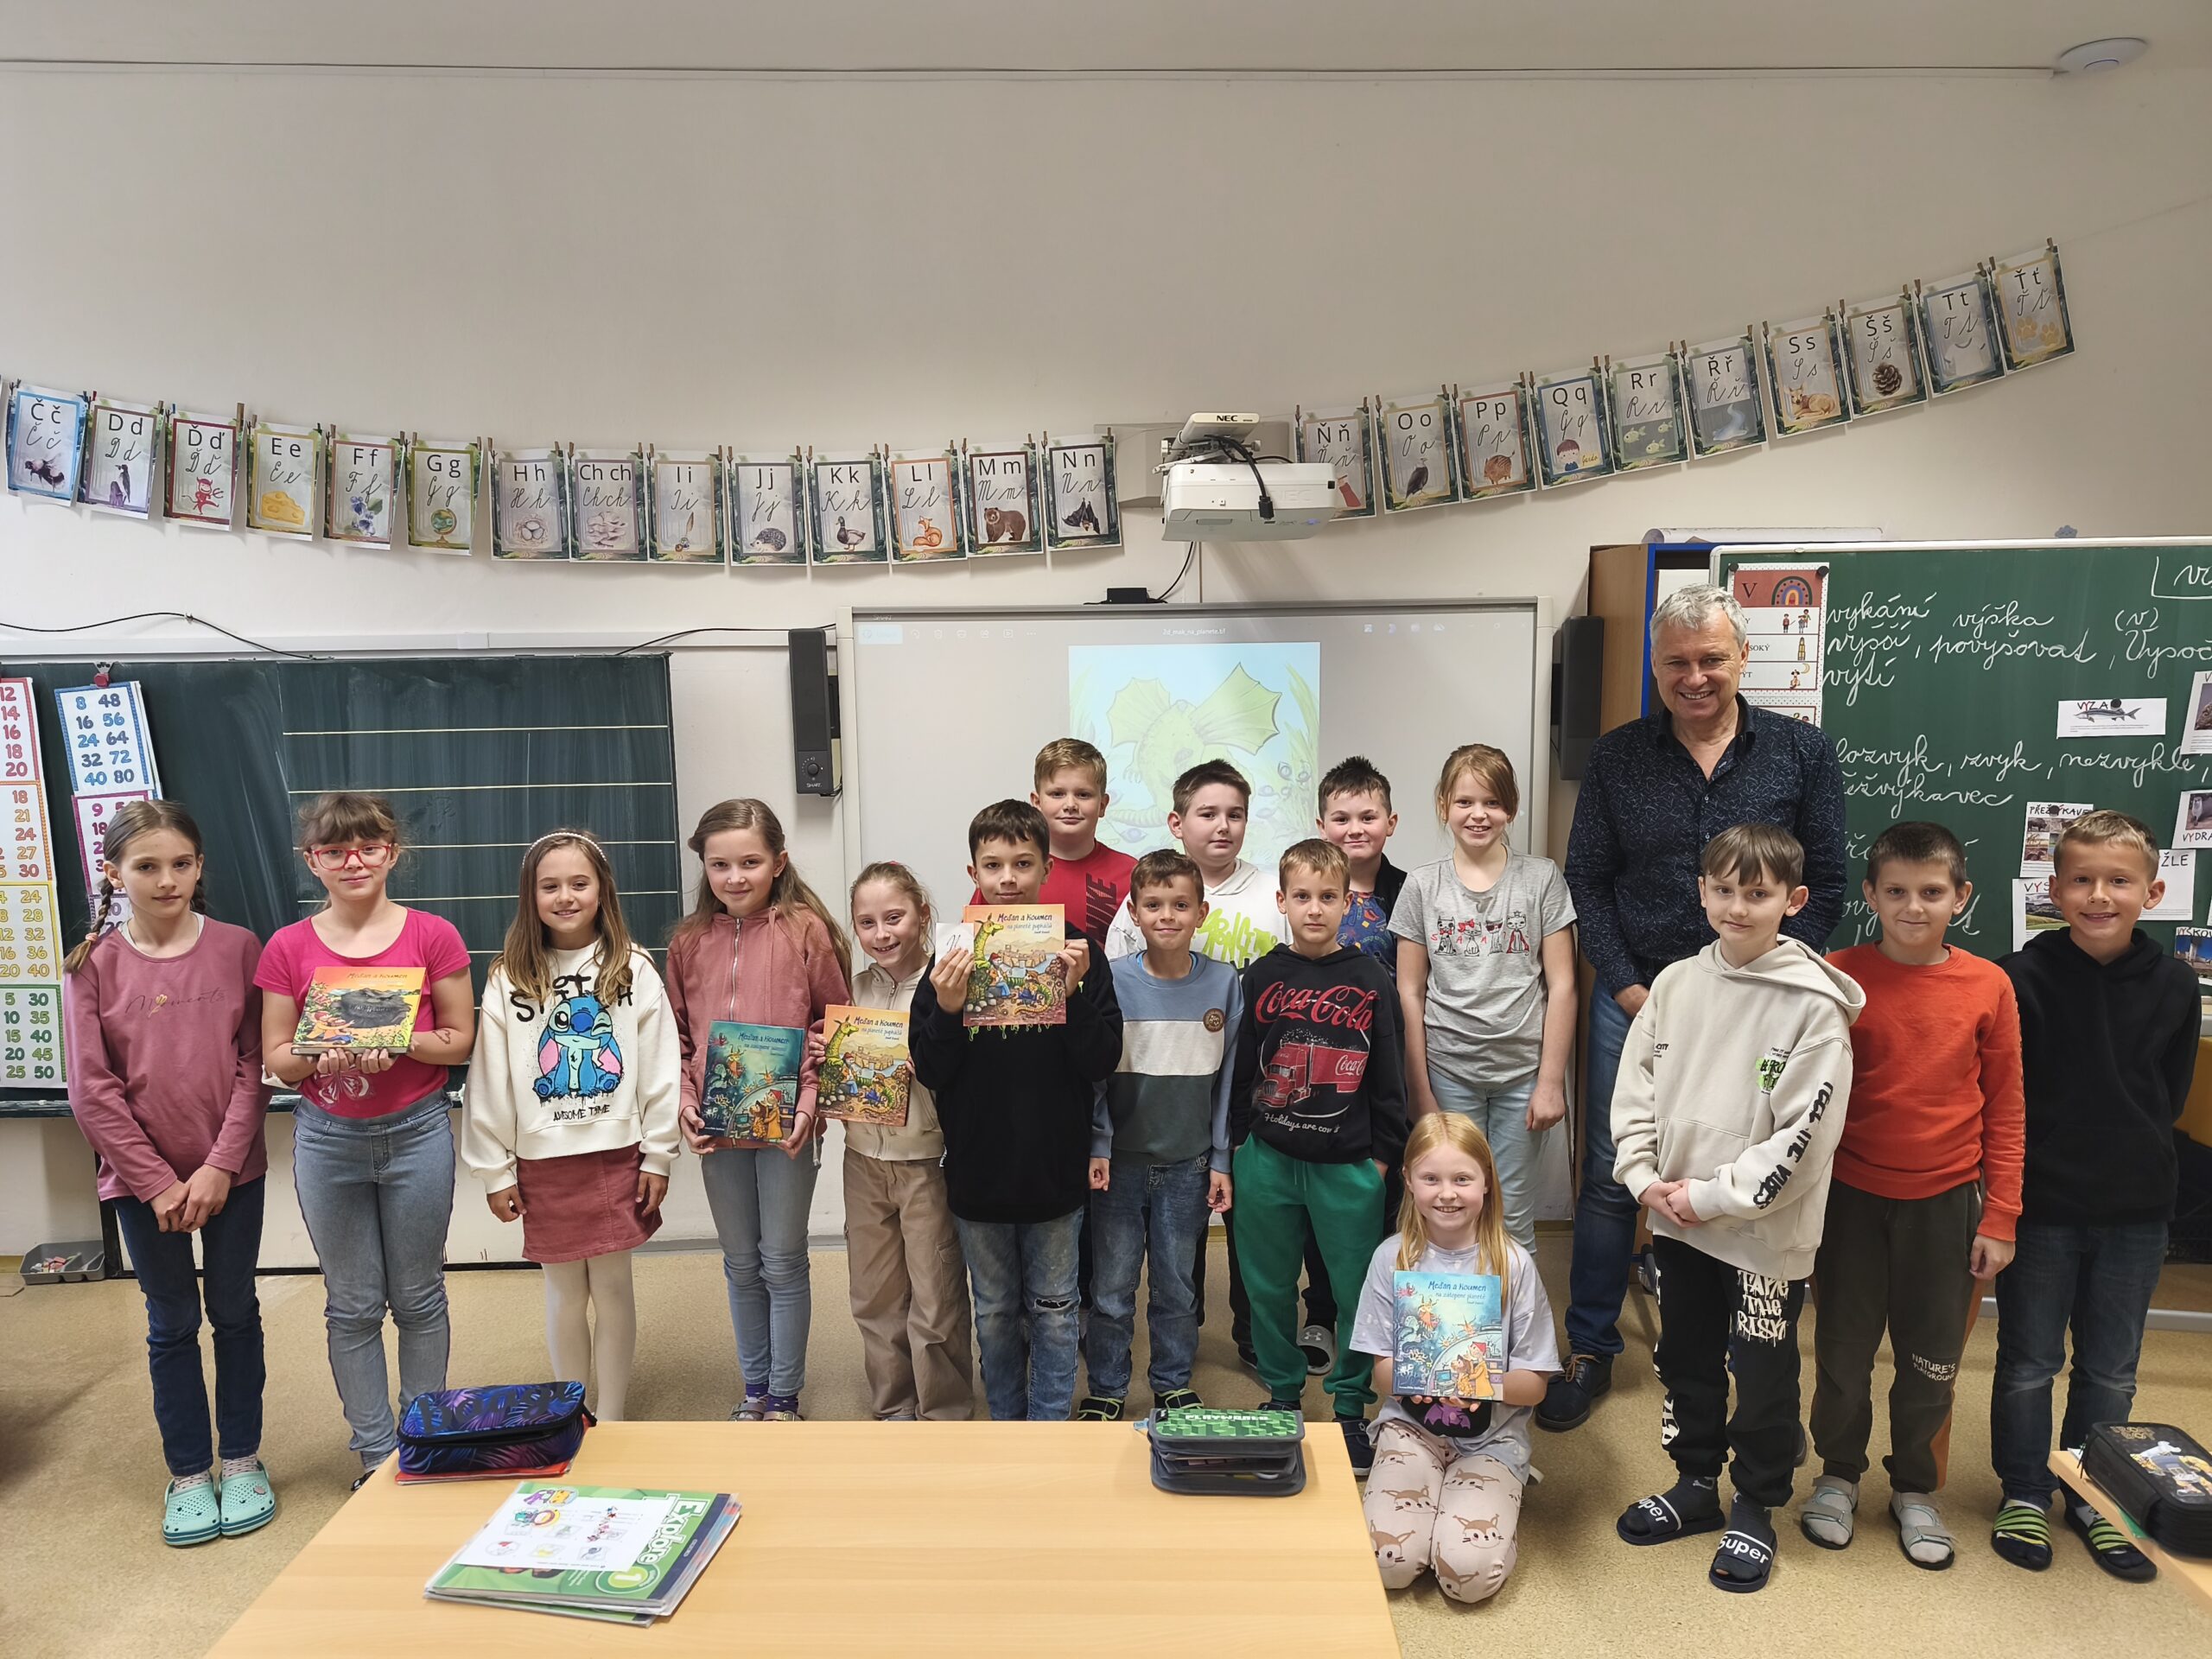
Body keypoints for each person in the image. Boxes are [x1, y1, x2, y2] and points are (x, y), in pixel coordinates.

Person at [1549, 582, 1847, 1431]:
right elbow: (1587, 881)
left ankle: (1729, 1346)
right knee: (1616, 1171)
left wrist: (1770, 984)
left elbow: (1824, 883)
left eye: (1711, 658)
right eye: (1675, 662)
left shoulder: (1801, 754)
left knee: (1737, 1166)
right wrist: (1626, 983)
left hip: (1760, 1010)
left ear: (1742, 657)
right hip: (1641, 995)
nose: (1694, 677)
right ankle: (1591, 1346)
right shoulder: (1618, 757)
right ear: (1654, 667)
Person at [1610, 823, 1862, 1594]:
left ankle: (1756, 1503)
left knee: (1761, 1371)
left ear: (1795, 900)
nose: (1737, 908)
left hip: (1760, 1236)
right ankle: (1695, 1484)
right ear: (1701, 892)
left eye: (1757, 893)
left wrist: (1711, 1196)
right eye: (1723, 890)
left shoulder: (1815, 1008)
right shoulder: (1676, 984)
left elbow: (1804, 1139)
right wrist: (1643, 1177)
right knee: (1684, 1358)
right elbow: (1636, 1087)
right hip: (1679, 1222)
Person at [1803, 822, 2023, 1568]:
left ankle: (1915, 1488)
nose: (1913, 907)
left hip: (1947, 1203)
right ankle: (1837, 1475)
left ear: (1961, 897)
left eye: (1931, 892)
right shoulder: (1838, 975)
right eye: (1895, 892)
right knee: (1842, 1353)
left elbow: (2007, 1108)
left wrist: (2001, 1216)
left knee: (1932, 1361)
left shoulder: (1989, 985)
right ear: (1870, 895)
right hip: (1850, 1200)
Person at [1991, 810, 2201, 1580]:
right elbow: (2004, 1094)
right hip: (2042, 1204)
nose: (2099, 895)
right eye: (2081, 880)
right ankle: (2024, 1491)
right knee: (2028, 1360)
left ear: (2154, 892)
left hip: (2136, 1208)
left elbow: (2170, 1092)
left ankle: (2093, 1493)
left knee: (2112, 1369)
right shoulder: (2018, 977)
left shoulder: (2176, 983)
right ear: (2054, 890)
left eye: (2118, 881)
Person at [65, 800, 275, 1547]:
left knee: (235, 1311)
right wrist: (155, 1182)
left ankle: (241, 1459)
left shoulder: (239, 947)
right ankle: (188, 1472)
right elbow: (91, 1091)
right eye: (147, 866)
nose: (166, 880)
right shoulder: (92, 966)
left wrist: (219, 1165)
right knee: (172, 1322)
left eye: (181, 864)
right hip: (138, 1184)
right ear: (113, 874)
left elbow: (255, 1063)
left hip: (232, 1174)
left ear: (199, 866)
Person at [256, 792, 476, 1487]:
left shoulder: (433, 936)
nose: (353, 862)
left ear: (392, 853)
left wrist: (398, 1039)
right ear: (311, 860)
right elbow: (278, 1060)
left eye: (369, 847)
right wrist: (321, 1055)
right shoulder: (288, 947)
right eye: (334, 850)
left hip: (416, 1131)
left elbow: (458, 1040)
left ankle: (423, 1443)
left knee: (419, 1296)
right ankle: (378, 1456)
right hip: (328, 1140)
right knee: (351, 1305)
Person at [1104, 760, 1327, 1371]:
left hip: (1260, 1082)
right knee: (1183, 1236)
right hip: (1174, 1088)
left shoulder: (1271, 893)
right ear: (1179, 822)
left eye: (1235, 814)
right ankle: (1185, 1334)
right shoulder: (1145, 896)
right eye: (1208, 813)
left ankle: (1253, 1335)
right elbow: (1117, 991)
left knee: (1252, 1222)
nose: (1222, 826)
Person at [911, 800, 1123, 1420]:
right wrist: (948, 1009)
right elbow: (930, 1069)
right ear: (973, 871)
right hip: (978, 1171)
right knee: (996, 1310)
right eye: (993, 865)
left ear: (1047, 868)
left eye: (1023, 863)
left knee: (1057, 1307)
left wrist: (1072, 996)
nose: (1008, 878)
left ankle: (1049, 1423)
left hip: (1054, 1170)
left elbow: (1103, 1059)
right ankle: (1006, 1421)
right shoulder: (950, 956)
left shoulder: (1079, 951)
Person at [461, 830, 680, 1422]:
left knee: (612, 1287)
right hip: (543, 1161)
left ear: (602, 890)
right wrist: (494, 1170)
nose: (565, 896)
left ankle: (612, 1417)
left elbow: (661, 1065)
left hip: (616, 1155)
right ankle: (573, 1415)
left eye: (579, 883)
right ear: (529, 895)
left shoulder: (633, 968)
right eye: (550, 885)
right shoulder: (509, 975)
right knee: (562, 1292)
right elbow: (490, 1077)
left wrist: (659, 1153)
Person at [668, 799, 852, 1423]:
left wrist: (809, 1104)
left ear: (779, 862)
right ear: (704, 866)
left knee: (782, 1259)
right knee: (741, 1262)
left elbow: (832, 1026)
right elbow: (677, 1038)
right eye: (720, 864)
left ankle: (784, 1396)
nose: (735, 876)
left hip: (787, 1128)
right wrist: (685, 1100)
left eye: (750, 862)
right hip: (718, 1127)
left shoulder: (807, 931)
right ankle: (754, 1390)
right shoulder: (687, 942)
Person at [1230, 838, 1408, 1474]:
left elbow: (1389, 1074)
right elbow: (1241, 1068)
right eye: (1302, 896)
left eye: (1328, 897)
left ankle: (1351, 1408)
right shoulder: (1261, 975)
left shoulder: (1370, 977)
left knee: (1358, 1288)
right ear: (1282, 900)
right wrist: (1239, 1144)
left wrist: (1383, 1159)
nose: (1314, 909)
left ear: (1346, 903)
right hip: (1268, 1157)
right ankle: (1283, 1394)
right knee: (1267, 1283)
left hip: (1348, 1165)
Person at [1354, 1114, 1560, 1604]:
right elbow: (1382, 1375)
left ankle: (1490, 1499)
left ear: (1487, 1181)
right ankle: (1440, 1502)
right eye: (1431, 1178)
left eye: (1462, 1179)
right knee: (1388, 1564)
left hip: (1493, 1439)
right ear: (1408, 1181)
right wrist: (1428, 1377)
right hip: (1412, 1427)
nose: (1447, 1194)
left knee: (1468, 1575)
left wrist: (1472, 1383)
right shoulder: (1391, 1259)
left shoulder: (1514, 1264)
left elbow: (1534, 1386)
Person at [1077, 849, 1242, 1421]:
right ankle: (1107, 1387)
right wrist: (1099, 1144)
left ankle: (1172, 1383)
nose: (1166, 916)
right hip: (1120, 1164)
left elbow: (1228, 1081)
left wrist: (1221, 1158)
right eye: (1153, 905)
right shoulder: (1112, 979)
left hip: (1188, 1165)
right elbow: (1096, 1075)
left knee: (1176, 1287)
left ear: (1202, 912)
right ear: (1133, 911)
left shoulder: (1224, 982)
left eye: (1180, 905)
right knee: (1111, 1289)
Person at [1392, 744, 1576, 1250]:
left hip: (1523, 1075)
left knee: (1512, 1218)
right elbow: (1409, 991)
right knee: (1450, 1213)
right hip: (1449, 1073)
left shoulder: (1541, 879)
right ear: (1443, 806)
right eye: (1465, 802)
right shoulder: (1422, 885)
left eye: (1492, 802)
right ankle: (1455, 1307)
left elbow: (1562, 985)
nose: (1479, 814)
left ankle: (1512, 1307)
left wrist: (1551, 1082)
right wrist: (1420, 1089)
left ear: (1510, 808)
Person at [825, 861, 973, 1421]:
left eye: (894, 918)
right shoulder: (853, 989)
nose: (881, 933)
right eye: (867, 923)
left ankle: (943, 1412)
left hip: (926, 1160)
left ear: (923, 915)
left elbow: (964, 1072)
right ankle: (893, 1407)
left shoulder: (947, 985)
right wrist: (827, 1055)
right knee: (873, 1293)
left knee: (936, 1293)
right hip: (862, 1159)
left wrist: (927, 1063)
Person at [971, 738, 1135, 942]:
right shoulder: (1007, 877)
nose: (1070, 805)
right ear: (1037, 802)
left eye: (1083, 795)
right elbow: (976, 943)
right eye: (1057, 794)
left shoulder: (1130, 873)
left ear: (1102, 805)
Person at [1317, 755, 1407, 975]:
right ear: (1322, 827)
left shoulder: (1409, 890)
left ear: (1390, 823)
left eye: (1367, 818)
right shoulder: (1304, 891)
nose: (1355, 830)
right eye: (1342, 820)